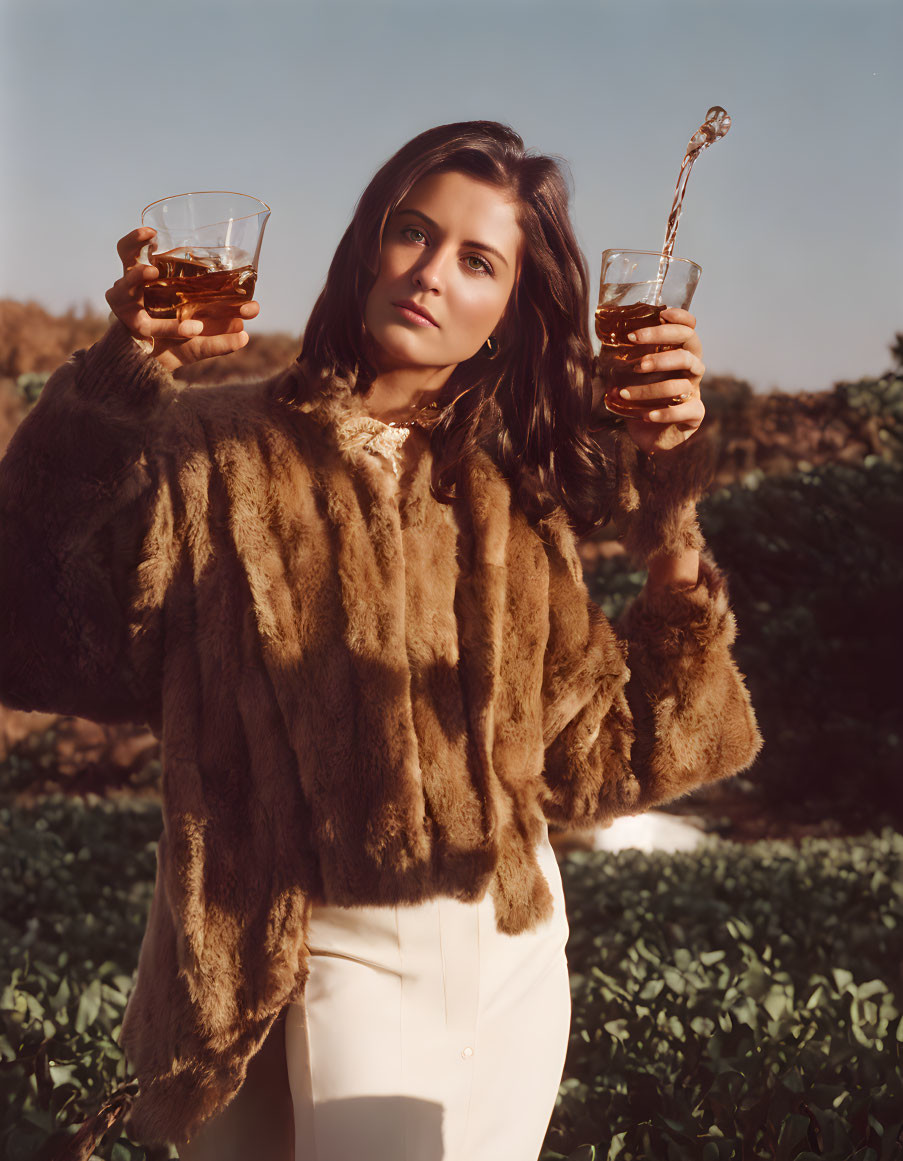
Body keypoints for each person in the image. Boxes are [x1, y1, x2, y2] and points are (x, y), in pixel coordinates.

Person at [0, 121, 762, 1161]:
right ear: (368, 244)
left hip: (473, 950)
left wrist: (671, 503)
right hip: (239, 958)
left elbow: (621, 757)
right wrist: (113, 380)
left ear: (507, 316)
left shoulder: (509, 500)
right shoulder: (207, 450)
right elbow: (31, 634)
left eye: (478, 259)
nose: (431, 273)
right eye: (412, 232)